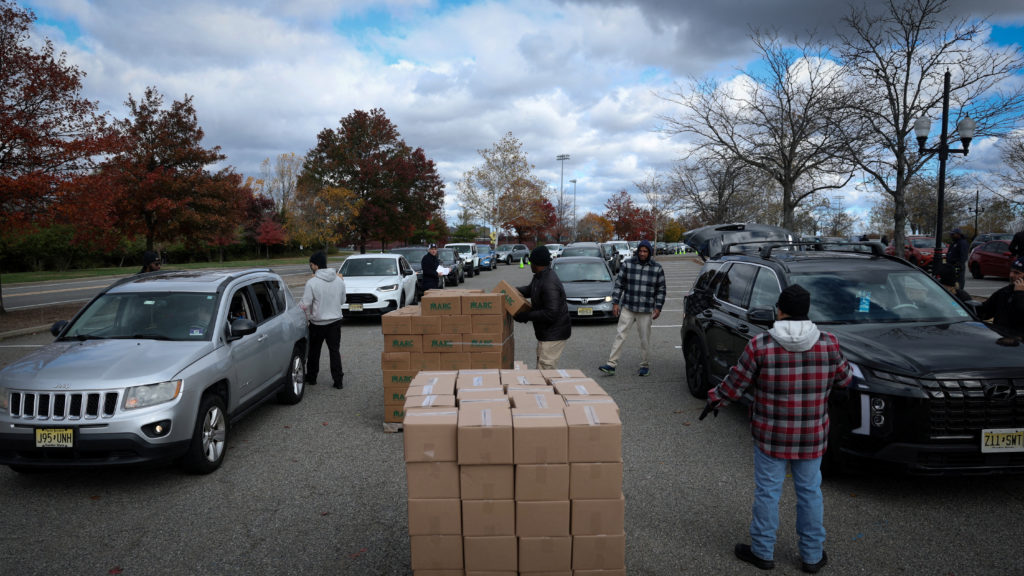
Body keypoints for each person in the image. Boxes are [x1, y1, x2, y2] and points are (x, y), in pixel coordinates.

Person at [701, 284, 852, 574]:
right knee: (810, 492)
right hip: (811, 436)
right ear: (807, 312)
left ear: (780, 310)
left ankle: (762, 551)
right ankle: (811, 555)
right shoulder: (829, 342)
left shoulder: (761, 344)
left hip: (771, 436)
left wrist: (714, 400)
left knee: (768, 492)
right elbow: (845, 379)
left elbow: (735, 384)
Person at [599, 239, 666, 377]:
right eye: (640, 251)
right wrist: (616, 302)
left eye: (645, 251)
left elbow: (661, 289)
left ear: (649, 253)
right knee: (620, 335)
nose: (642, 253)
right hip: (628, 307)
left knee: (644, 339)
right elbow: (619, 284)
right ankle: (611, 364)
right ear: (637, 251)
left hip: (645, 310)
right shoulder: (628, 264)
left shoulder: (657, 268)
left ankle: (644, 365)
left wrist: (658, 307)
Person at [513, 245, 571, 369]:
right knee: (541, 366)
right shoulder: (540, 277)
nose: (529, 265)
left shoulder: (549, 283)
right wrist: (511, 291)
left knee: (545, 370)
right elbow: (530, 290)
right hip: (546, 333)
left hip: (553, 334)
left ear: (536, 263)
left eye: (531, 262)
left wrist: (526, 316)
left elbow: (551, 313)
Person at [300, 251, 346, 389]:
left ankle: (312, 377)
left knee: (314, 351)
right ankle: (338, 381)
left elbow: (305, 304)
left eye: (311, 264)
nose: (311, 267)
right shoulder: (339, 280)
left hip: (317, 323)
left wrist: (303, 315)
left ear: (315, 265)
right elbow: (343, 300)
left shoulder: (312, 283)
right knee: (334, 351)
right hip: (335, 321)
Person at [975, 256, 1024, 338]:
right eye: (1011, 271)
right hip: (1000, 337)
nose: (1011, 275)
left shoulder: (1017, 293)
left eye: (1017, 273)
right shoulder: (1005, 291)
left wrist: (1019, 294)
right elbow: (985, 310)